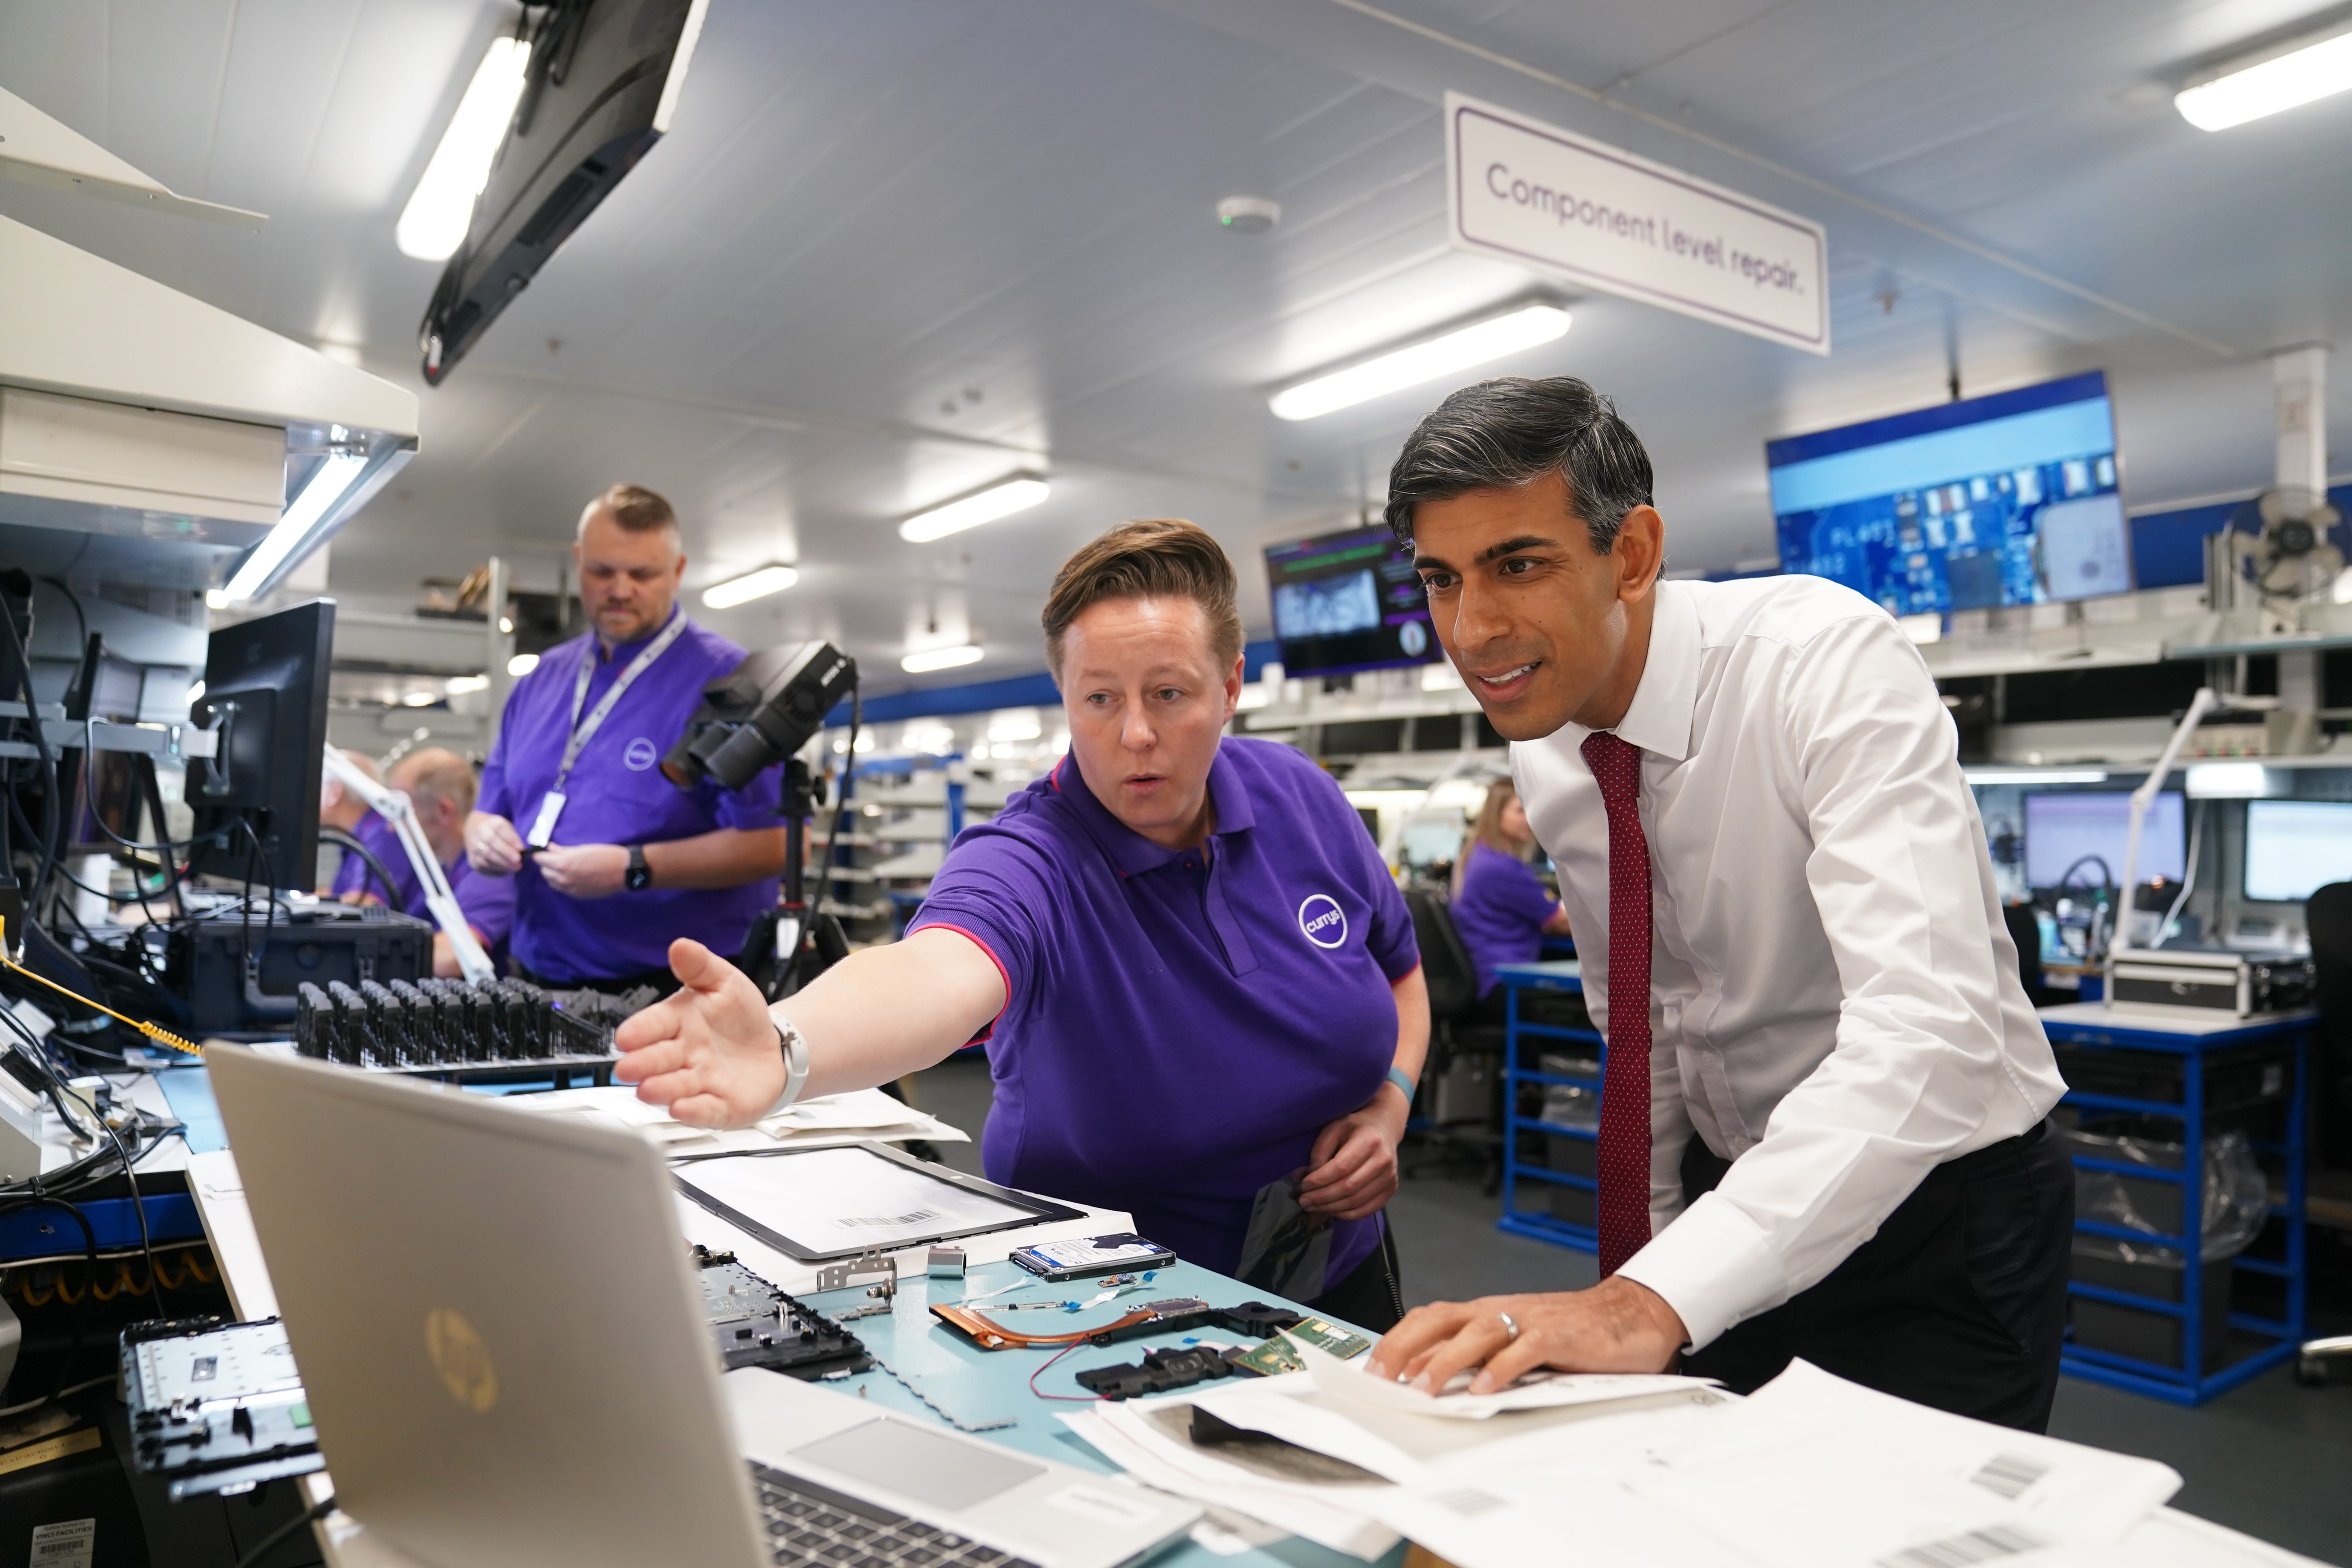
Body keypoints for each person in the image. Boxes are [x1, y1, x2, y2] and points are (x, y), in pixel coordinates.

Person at [1364, 377, 2072, 1431]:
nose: (1471, 629)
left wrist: (1651, 1297)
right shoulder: (1548, 738)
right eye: (1441, 578)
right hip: (1728, 1193)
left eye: (1518, 564)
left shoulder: (1825, 664)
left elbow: (1933, 1031)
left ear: (1635, 553)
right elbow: (1645, 1024)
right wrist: (1648, 1269)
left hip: (1937, 1206)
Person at [610, 520, 1430, 1328]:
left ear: (1232, 686)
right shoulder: (1034, 855)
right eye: (1100, 697)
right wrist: (786, 1046)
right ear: (1066, 697)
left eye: (1170, 693)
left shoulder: (1302, 796)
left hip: (1337, 1274)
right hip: (1115, 1309)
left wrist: (1389, 1104)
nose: (1136, 732)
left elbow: (1401, 971)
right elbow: (937, 968)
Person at [465, 485, 788, 994]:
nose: (620, 589)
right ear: (578, 562)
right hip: (537, 975)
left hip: (672, 988)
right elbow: (491, 806)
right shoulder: (542, 679)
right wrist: (480, 834)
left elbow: (777, 845)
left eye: (642, 574)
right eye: (602, 571)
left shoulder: (729, 681)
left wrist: (635, 869)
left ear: (678, 571)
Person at [384, 748, 517, 976]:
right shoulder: (446, 871)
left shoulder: (486, 875)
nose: (392, 827)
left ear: (444, 811)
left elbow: (453, 957)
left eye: (403, 812)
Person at [1449, 779, 1571, 1021]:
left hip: (1486, 979)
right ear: (1497, 814)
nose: (1530, 818)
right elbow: (1560, 922)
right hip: (1504, 983)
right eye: (1520, 810)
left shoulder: (1477, 856)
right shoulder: (1501, 868)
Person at [320, 750, 399, 903]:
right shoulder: (361, 837)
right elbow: (343, 893)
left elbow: (367, 902)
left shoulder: (385, 834)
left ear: (335, 793)